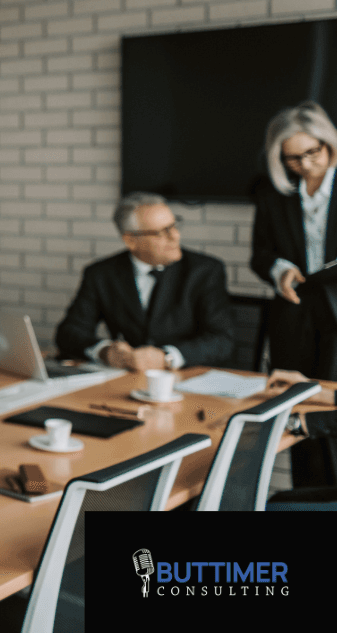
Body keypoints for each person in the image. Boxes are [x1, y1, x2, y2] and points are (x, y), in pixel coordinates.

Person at [251, 102, 337, 486]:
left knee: (331, 409)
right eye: (292, 158)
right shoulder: (274, 194)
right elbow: (260, 253)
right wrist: (279, 270)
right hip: (294, 312)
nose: (304, 164)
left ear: (328, 143)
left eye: (311, 153)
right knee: (298, 406)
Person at [55, 192, 234, 371]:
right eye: (161, 232)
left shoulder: (205, 271)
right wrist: (105, 351)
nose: (175, 236)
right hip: (126, 379)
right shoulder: (101, 274)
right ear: (131, 240)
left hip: (187, 379)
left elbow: (222, 340)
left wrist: (167, 357)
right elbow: (69, 333)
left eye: (174, 226)